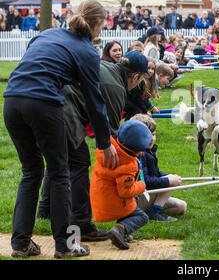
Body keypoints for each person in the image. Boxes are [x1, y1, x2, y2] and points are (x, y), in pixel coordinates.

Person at [3, 0, 118, 259]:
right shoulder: (87, 51)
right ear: (97, 25)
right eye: (102, 25)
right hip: (43, 103)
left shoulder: (47, 34)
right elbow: (94, 98)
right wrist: (105, 141)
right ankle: (65, 245)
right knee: (59, 172)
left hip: (11, 100)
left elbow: (37, 60)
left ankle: (20, 243)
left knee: (31, 171)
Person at [37, 50, 151, 243]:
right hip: (61, 108)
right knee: (79, 163)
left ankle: (45, 210)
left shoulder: (107, 67)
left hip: (40, 99)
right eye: (141, 80)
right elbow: (114, 139)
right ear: (134, 76)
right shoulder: (117, 88)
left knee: (59, 160)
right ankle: (82, 225)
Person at [90, 120, 151, 250]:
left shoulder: (107, 150)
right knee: (142, 217)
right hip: (114, 203)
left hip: (100, 198)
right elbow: (125, 192)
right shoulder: (128, 165)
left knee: (130, 204)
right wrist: (141, 186)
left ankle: (123, 232)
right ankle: (119, 229)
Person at [131, 114, 187, 221]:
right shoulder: (139, 154)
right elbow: (145, 182)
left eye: (154, 134)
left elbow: (154, 174)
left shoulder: (149, 152)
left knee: (181, 207)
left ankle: (148, 213)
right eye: (148, 135)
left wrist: (167, 177)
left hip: (147, 196)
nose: (152, 138)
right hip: (138, 198)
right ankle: (154, 213)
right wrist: (168, 181)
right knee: (171, 181)